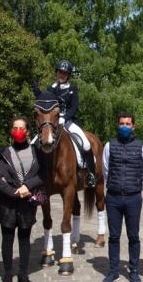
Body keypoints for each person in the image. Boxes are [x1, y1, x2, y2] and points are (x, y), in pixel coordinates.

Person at [0, 117, 47, 282]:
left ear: (28, 131)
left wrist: (27, 186)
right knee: (7, 239)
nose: (18, 131)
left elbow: (43, 174)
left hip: (27, 203)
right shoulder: (3, 152)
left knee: (24, 239)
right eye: (15, 127)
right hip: (8, 203)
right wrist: (13, 192)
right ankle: (7, 274)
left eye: (21, 128)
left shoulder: (37, 152)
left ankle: (23, 274)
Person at [101, 111, 143, 282]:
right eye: (121, 123)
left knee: (133, 236)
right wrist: (114, 185)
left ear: (133, 126)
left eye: (128, 124)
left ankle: (134, 271)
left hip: (133, 198)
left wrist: (136, 188)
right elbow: (105, 170)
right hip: (113, 198)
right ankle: (113, 271)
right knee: (114, 236)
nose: (124, 126)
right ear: (117, 125)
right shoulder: (109, 145)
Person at [33, 59, 96, 188]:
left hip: (68, 120)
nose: (62, 75)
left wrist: (65, 117)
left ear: (68, 75)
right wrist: (37, 91)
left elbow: (74, 107)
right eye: (60, 72)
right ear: (56, 73)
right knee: (33, 143)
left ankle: (90, 174)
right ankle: (33, 173)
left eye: (65, 73)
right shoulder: (51, 88)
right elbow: (45, 102)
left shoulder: (72, 88)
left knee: (86, 143)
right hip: (51, 121)